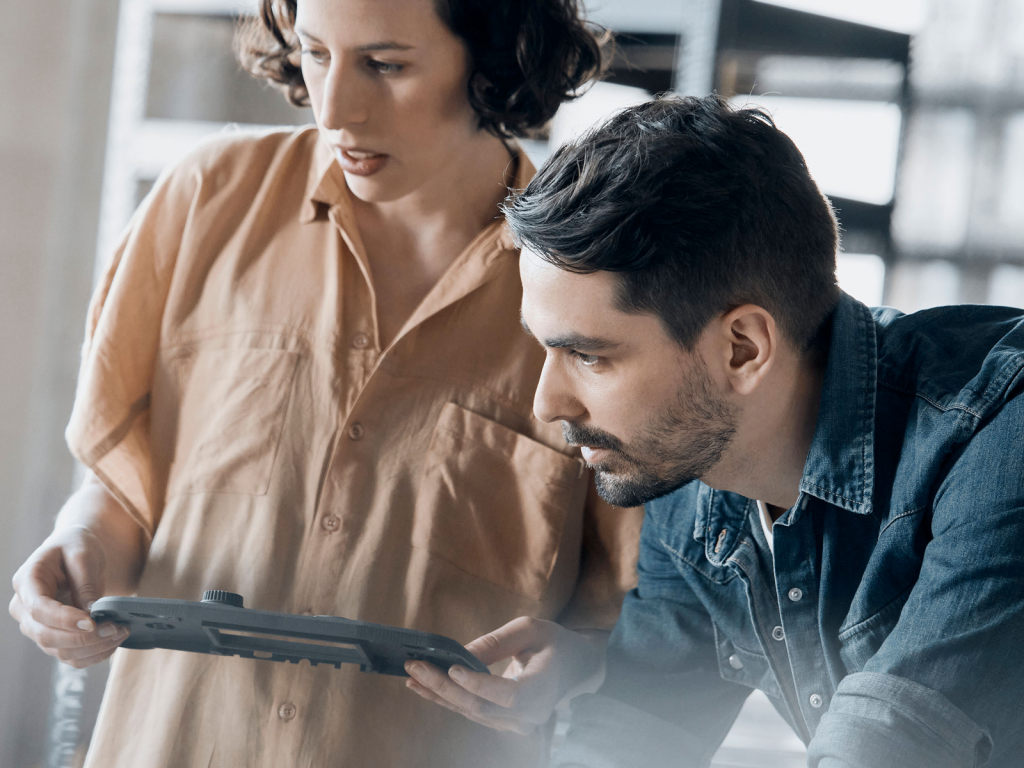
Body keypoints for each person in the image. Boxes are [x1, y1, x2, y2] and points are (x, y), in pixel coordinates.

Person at [7, 1, 644, 766]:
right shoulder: (205, 202)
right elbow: (125, 494)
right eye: (315, 54)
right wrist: (81, 548)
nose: (335, 107)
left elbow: (632, 614)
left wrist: (580, 668)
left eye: (385, 65)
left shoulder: (593, 293)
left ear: (493, 60)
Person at [414, 94, 1024, 766]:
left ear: (742, 349)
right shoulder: (693, 473)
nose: (547, 404)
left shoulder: (997, 432)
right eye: (546, 351)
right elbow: (634, 731)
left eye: (590, 356)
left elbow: (888, 748)